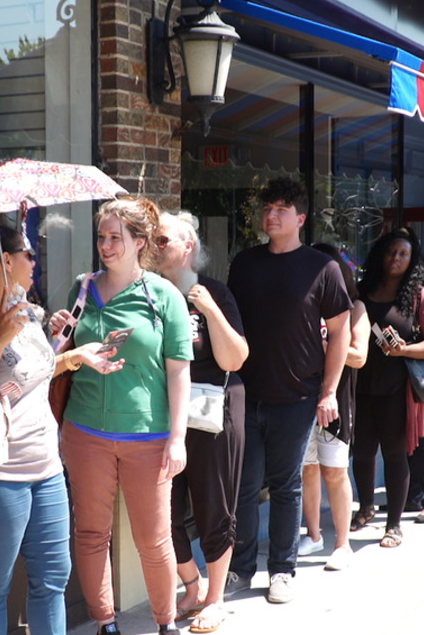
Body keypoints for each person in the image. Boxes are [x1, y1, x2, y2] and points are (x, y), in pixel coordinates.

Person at [0, 225, 119, 635]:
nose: (36, 261)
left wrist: (73, 356)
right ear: (5, 261)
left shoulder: (24, 310)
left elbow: (32, 377)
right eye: (29, 254)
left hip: (45, 468)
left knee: (53, 579)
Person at [52, 196, 193, 635]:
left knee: (153, 539)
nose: (106, 246)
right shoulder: (81, 288)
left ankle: (165, 623)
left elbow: (179, 371)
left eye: (116, 237)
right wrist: (59, 335)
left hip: (148, 436)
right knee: (92, 533)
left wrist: (177, 437)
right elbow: (55, 356)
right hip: (84, 431)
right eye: (101, 237)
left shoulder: (163, 295)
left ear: (140, 242)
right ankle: (105, 623)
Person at [226, 178, 351, 605]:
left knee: (285, 487)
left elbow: (340, 334)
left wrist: (329, 392)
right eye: (267, 207)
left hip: (297, 398)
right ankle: (241, 570)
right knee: (243, 486)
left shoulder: (322, 267)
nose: (271, 214)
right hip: (245, 393)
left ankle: (282, 570)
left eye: (281, 208)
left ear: (299, 218)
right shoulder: (244, 264)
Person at [154, 210, 249, 634]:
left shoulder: (212, 292)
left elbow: (234, 359)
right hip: (159, 415)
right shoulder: (148, 293)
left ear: (187, 247)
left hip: (211, 411)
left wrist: (210, 311)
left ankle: (215, 598)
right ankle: (190, 584)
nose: (152, 249)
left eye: (161, 241)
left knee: (214, 505)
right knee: (164, 510)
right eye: (150, 241)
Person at [351, 229, 424, 546]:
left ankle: (393, 524)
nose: (396, 258)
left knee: (394, 455)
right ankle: (364, 508)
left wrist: (405, 349)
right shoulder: (363, 291)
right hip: (361, 386)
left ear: (412, 260)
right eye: (392, 252)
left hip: (397, 389)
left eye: (403, 254)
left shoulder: (420, 296)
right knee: (361, 454)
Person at [297, 243, 367, 568]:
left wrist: (329, 344)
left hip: (337, 399)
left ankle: (343, 543)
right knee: (307, 470)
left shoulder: (356, 307)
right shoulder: (306, 303)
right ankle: (313, 535)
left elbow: (359, 356)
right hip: (300, 396)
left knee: (335, 472)